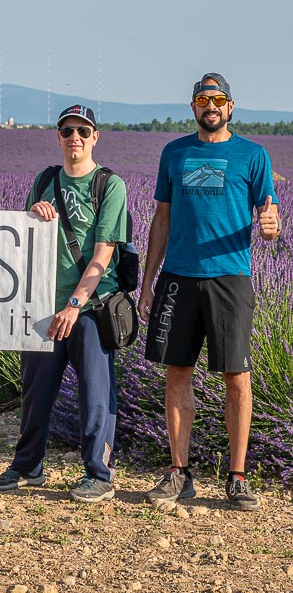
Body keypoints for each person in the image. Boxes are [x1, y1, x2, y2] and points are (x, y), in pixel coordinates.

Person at [139, 73, 281, 511]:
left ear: (231, 107)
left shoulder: (252, 155)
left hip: (229, 280)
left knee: (237, 378)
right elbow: (161, 219)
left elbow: (269, 211)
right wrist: (147, 283)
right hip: (179, 277)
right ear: (193, 106)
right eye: (203, 99)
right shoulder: (175, 153)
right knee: (176, 373)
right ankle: (179, 472)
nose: (210, 106)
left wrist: (273, 229)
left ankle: (236, 476)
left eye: (218, 99)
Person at [0, 105, 128, 503]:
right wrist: (31, 214)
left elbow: (102, 254)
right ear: (59, 137)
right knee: (36, 391)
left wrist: (74, 304)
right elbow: (20, 241)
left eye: (83, 130)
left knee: (96, 393)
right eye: (67, 131)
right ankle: (27, 466)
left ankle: (99, 474)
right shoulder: (46, 179)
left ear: (95, 136)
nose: (75, 138)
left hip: (90, 308)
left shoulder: (108, 185)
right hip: (43, 305)